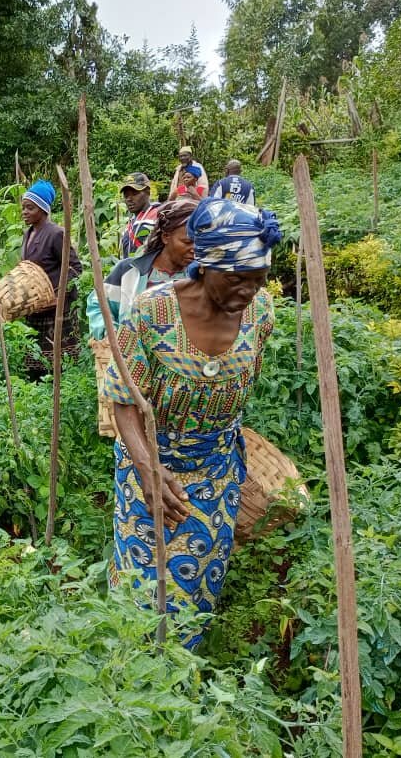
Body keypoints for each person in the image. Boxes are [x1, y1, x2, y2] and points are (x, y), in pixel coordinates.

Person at [102, 198, 282, 648]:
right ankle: (129, 684)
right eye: (239, 278)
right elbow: (123, 401)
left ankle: (180, 684)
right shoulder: (151, 312)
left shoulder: (261, 315)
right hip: (151, 466)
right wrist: (148, 470)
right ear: (206, 265)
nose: (249, 291)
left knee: (198, 586)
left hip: (217, 474)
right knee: (142, 588)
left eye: (258, 280)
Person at [85, 200, 197, 341]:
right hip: (133, 359)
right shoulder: (130, 271)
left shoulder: (200, 276)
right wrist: (111, 336)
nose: (195, 248)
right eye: (187, 242)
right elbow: (98, 305)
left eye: (200, 242)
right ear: (166, 237)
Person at [20, 179, 83, 381]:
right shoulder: (28, 233)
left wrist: (58, 297)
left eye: (30, 208)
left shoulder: (56, 234)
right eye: (23, 208)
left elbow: (75, 268)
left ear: (43, 209)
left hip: (56, 311)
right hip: (35, 308)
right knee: (35, 368)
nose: (25, 212)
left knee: (57, 367)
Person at [118, 172, 160, 260]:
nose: (129, 199)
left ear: (147, 192)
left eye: (134, 194)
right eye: (126, 195)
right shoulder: (131, 223)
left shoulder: (158, 217)